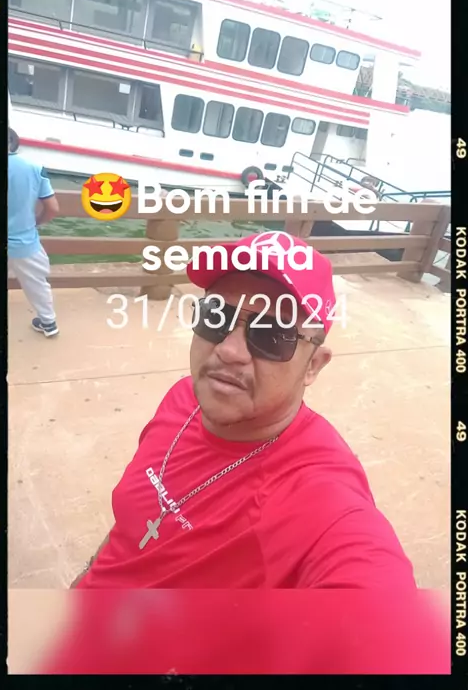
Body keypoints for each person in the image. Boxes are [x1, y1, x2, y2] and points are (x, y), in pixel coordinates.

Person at [71, 231, 416, 590]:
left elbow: (374, 595)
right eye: (216, 317)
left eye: (271, 335)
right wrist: (89, 573)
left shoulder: (319, 498)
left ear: (313, 365)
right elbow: (133, 523)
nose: (229, 351)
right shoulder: (184, 396)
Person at [8, 127, 60, 337]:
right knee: (37, 283)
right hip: (24, 242)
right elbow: (52, 208)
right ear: (13, 143)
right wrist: (35, 223)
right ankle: (48, 323)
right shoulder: (35, 168)